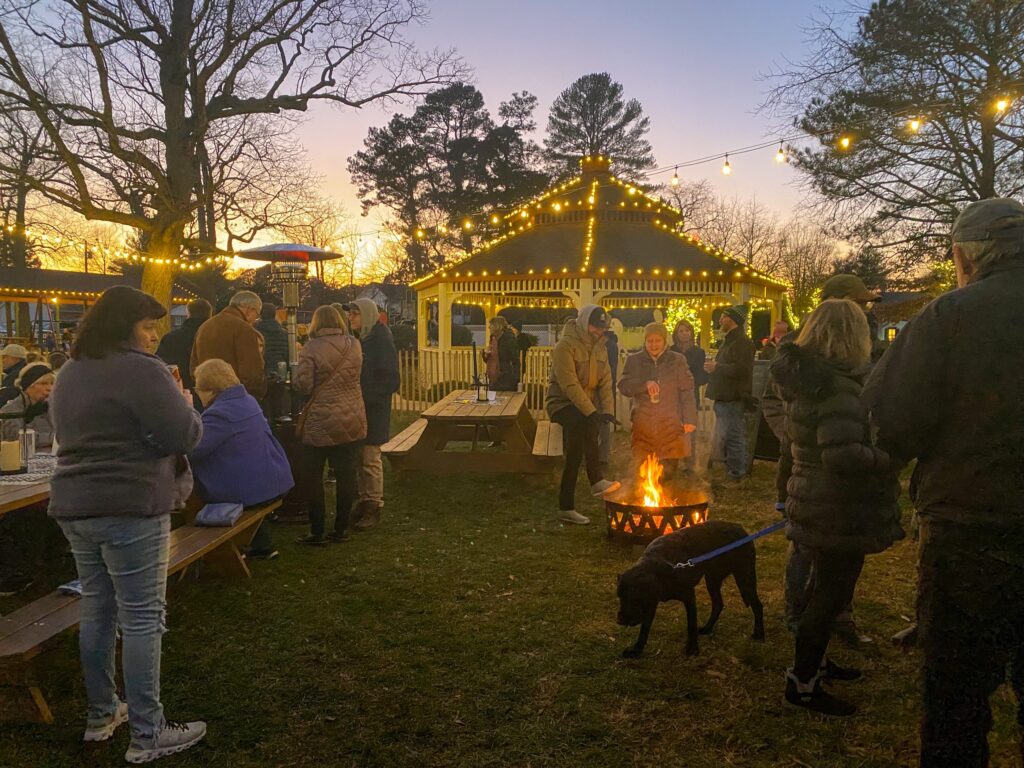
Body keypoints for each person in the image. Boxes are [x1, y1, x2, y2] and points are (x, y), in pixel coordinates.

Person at [863, 198, 1024, 766]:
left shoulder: (951, 316)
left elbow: (892, 421)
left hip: (973, 533)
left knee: (957, 697)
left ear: (963, 254)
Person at [47, 286, 205, 761]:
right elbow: (184, 433)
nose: (155, 335)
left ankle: (101, 715)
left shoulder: (70, 372)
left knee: (97, 610)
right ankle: (148, 733)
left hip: (76, 505)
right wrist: (186, 401)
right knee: (141, 618)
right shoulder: (141, 369)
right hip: (131, 504)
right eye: (149, 326)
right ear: (124, 326)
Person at [771, 299, 902, 717]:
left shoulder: (809, 382)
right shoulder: (837, 389)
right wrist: (889, 458)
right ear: (852, 337)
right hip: (836, 506)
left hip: (814, 498)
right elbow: (842, 455)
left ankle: (817, 663)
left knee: (820, 591)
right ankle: (803, 683)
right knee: (830, 593)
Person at [770, 275, 881, 645]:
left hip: (815, 475)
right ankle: (803, 622)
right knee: (810, 551)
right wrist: (886, 459)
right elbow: (836, 449)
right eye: (860, 304)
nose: (867, 311)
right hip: (817, 478)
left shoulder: (838, 367)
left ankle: (829, 618)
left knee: (835, 562)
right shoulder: (817, 371)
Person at [189, 359, 294, 560]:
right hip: (272, 480)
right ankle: (262, 544)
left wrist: (189, 413)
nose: (196, 394)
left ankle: (204, 549)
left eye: (197, 389)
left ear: (210, 390)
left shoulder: (220, 414)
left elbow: (193, 449)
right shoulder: (247, 400)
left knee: (190, 489)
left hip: (250, 489)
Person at [293, 305, 366, 545]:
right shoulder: (354, 345)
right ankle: (341, 528)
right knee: (346, 475)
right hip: (351, 416)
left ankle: (317, 530)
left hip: (320, 419)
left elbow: (304, 385)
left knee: (314, 477)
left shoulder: (310, 348)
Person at [545, 304, 620, 525]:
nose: (597, 331)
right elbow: (569, 385)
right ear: (583, 322)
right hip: (562, 404)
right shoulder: (565, 346)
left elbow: (606, 383)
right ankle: (591, 484)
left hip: (586, 408)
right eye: (594, 327)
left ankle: (569, 505)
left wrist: (607, 412)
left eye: (601, 328)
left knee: (581, 437)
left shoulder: (600, 348)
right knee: (579, 434)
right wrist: (590, 412)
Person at [345, 298, 399, 531]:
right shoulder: (365, 338)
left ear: (365, 315)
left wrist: (368, 396)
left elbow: (391, 379)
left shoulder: (380, 339)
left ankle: (374, 504)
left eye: (355, 314)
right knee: (360, 456)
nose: (351, 318)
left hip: (373, 408)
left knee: (370, 457)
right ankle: (364, 500)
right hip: (362, 406)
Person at [617, 323, 697, 476]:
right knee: (644, 471)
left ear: (665, 341)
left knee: (668, 471)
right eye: (650, 341)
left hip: (670, 425)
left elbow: (686, 391)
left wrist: (690, 419)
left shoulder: (677, 360)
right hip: (643, 425)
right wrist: (643, 385)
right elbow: (624, 385)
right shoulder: (634, 361)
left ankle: (668, 498)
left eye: (657, 341)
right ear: (645, 341)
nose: (654, 345)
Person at [704, 306, 755, 482]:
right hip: (724, 396)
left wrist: (717, 367)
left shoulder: (743, 343)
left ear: (732, 319)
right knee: (726, 435)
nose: (719, 321)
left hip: (732, 397)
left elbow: (742, 370)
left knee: (733, 436)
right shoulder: (729, 341)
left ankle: (737, 474)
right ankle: (731, 469)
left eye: (723, 317)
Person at [190, 291, 266, 399]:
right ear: (249, 310)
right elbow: (251, 372)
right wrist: (256, 395)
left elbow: (193, 364)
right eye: (257, 315)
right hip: (235, 397)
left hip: (207, 396)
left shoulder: (205, 326)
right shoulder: (244, 329)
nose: (255, 320)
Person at [155, 298, 212, 390]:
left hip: (180, 389)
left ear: (188, 313)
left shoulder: (171, 338)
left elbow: (161, 365)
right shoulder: (215, 337)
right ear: (210, 314)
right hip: (209, 390)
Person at [0, 362, 55, 447]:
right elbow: (20, 438)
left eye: (52, 383)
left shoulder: (49, 407)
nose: (49, 388)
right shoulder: (10, 411)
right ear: (28, 386)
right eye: (43, 383)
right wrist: (54, 438)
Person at [482, 316, 520, 391]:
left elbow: (515, 359)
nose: (489, 327)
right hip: (495, 378)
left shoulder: (508, 340)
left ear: (497, 326)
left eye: (491, 325)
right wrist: (486, 355)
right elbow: (491, 360)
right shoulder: (493, 340)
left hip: (507, 379)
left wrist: (515, 378)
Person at [255, 302, 288, 376]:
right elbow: (288, 354)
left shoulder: (255, 332)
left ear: (260, 314)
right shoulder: (285, 333)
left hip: (262, 372)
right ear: (275, 314)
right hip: (281, 371)